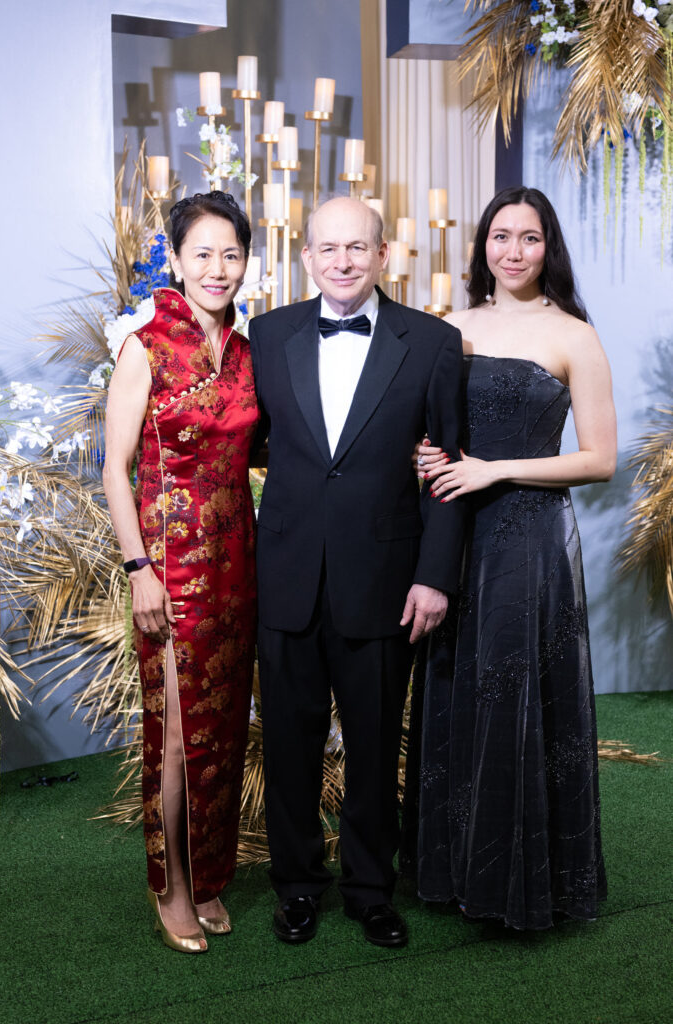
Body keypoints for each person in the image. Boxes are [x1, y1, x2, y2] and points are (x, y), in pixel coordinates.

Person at [248, 196, 466, 948]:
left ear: (383, 255)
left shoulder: (434, 342)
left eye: (357, 248)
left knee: (375, 746)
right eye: (327, 248)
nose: (342, 261)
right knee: (288, 745)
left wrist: (435, 574)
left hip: (385, 575)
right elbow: (247, 443)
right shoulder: (266, 334)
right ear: (305, 257)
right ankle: (297, 886)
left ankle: (372, 890)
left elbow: (449, 469)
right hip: (284, 575)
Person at [406, 186, 617, 930]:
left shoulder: (573, 335)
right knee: (454, 686)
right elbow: (431, 434)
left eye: (530, 238)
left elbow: (599, 460)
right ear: (483, 246)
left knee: (513, 694)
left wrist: (496, 469)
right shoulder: (448, 329)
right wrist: (431, 454)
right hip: (454, 532)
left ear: (547, 247)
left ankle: (521, 881)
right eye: (502, 236)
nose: (514, 251)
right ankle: (452, 868)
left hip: (527, 538)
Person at [103, 191, 259, 953]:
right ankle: (170, 887)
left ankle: (208, 876)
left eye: (231, 253)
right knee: (175, 739)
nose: (218, 268)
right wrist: (138, 568)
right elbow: (114, 468)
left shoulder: (247, 348)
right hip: (169, 568)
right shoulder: (147, 342)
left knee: (222, 733)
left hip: (238, 567)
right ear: (174, 257)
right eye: (203, 252)